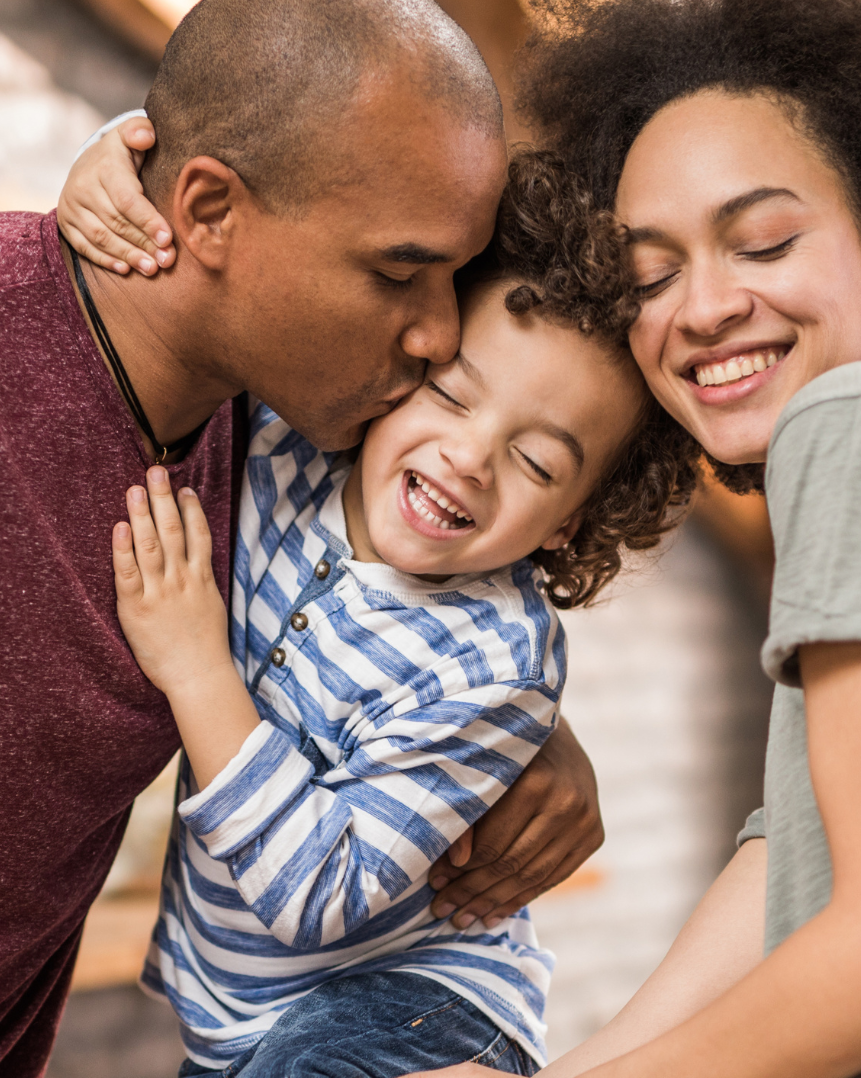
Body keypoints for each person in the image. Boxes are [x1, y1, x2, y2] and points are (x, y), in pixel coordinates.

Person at [79, 1, 861, 1073]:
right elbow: (797, 856)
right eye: (651, 276)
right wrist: (120, 161)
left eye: (762, 241)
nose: (705, 306)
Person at [0, 1, 603, 1073]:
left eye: (446, 281)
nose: (433, 338)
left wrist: (528, 737)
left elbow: (390, 619)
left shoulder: (273, 433)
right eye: (397, 271)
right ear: (208, 209)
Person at [109, 152, 690, 1078]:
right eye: (452, 394)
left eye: (536, 463)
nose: (468, 457)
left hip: (420, 1004)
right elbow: (190, 217)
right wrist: (109, 166)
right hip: (235, 1016)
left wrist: (193, 664)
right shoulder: (284, 451)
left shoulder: (496, 665)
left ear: (570, 519)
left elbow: (316, 888)